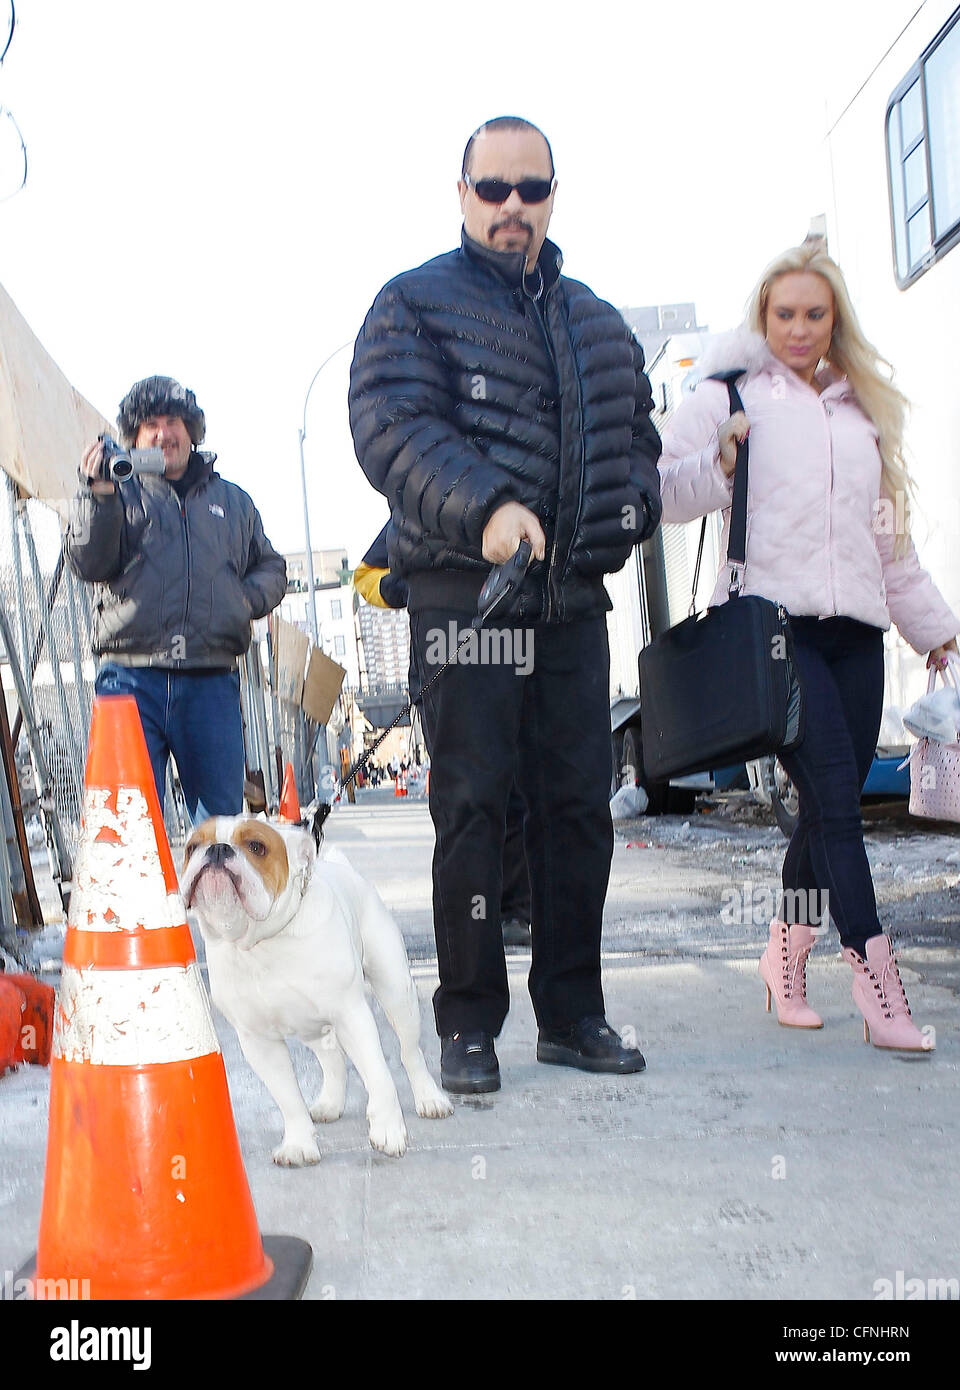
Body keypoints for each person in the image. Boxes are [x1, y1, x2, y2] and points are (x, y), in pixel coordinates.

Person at [349, 116, 662, 1093]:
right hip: (466, 593)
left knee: (578, 811)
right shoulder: (413, 305)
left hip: (572, 600)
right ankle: (468, 1022)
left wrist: (628, 512)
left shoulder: (600, 324)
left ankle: (573, 1013)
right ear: (462, 194)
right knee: (474, 805)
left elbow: (638, 448)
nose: (513, 207)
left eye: (532, 189)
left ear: (554, 195)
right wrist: (486, 510)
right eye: (494, 189)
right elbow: (391, 425)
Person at [658, 240, 959, 1052]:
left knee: (830, 809)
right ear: (763, 317)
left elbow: (889, 546)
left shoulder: (859, 411)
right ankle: (877, 981)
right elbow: (658, 490)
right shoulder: (726, 394)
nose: (799, 328)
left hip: (856, 634)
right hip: (775, 632)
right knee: (835, 800)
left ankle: (780, 961)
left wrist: (937, 631)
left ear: (835, 321)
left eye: (814, 314)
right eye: (783, 314)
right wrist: (721, 463)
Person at [66, 375, 287, 823]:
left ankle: (209, 896)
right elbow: (88, 563)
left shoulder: (233, 502)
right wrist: (98, 494)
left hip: (210, 681)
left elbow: (272, 567)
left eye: (173, 421)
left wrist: (240, 601)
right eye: (150, 425)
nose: (163, 433)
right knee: (126, 825)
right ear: (135, 437)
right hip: (129, 679)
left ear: (191, 430)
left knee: (218, 828)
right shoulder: (117, 491)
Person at [356, 523, 533, 947]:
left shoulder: (515, 483)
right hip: (443, 665)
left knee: (515, 788)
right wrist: (414, 588)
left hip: (510, 647)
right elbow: (364, 576)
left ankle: (514, 911)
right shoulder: (419, 497)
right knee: (464, 796)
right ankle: (472, 915)